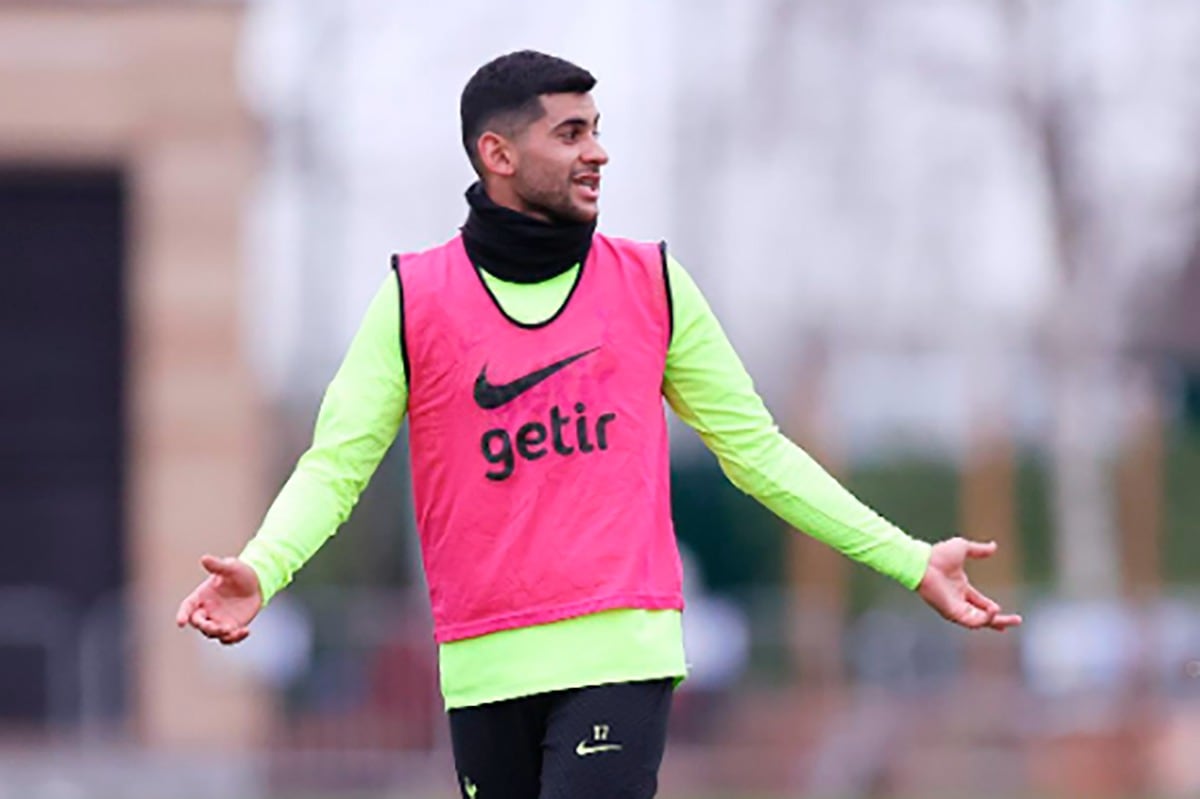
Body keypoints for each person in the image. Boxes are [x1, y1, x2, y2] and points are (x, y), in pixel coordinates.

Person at [176, 49, 1021, 799]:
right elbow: (336, 465)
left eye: (598, 130)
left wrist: (909, 559)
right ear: (497, 154)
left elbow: (757, 450)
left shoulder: (651, 283)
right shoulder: (413, 300)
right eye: (571, 133)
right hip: (482, 665)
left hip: (621, 650)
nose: (599, 152)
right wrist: (264, 567)